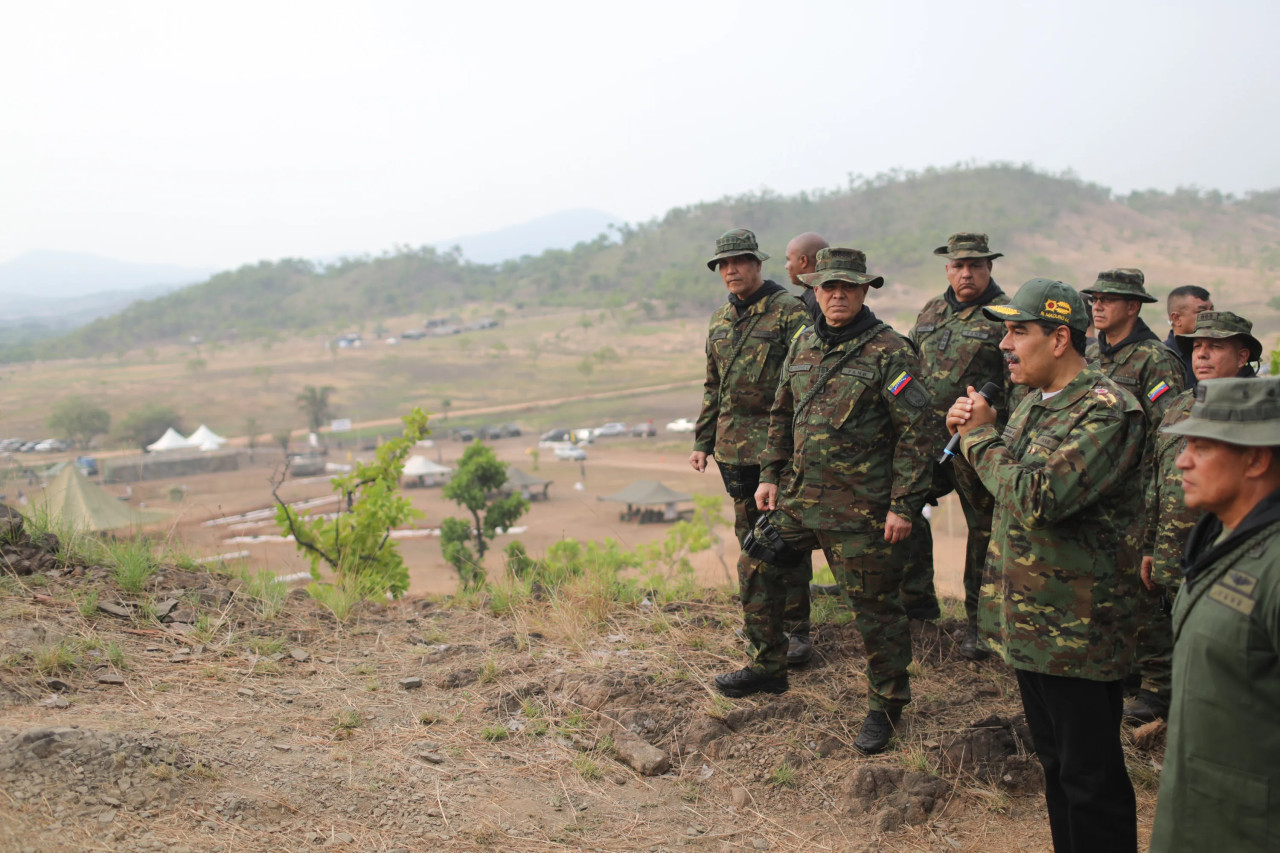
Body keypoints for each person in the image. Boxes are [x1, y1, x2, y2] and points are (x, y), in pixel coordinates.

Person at [947, 278, 1145, 853]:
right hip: (1029, 623)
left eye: (1018, 331)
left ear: (1060, 338)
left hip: (1078, 632)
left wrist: (981, 440)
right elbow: (996, 496)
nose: (1006, 345)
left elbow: (1039, 498)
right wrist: (965, 440)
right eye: (1005, 332)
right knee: (1057, 766)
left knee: (1091, 778)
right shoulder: (1033, 403)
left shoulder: (1107, 411)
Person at [719, 247, 934, 756]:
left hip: (861, 515)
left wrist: (904, 506)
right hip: (799, 501)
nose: (837, 295)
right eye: (827, 287)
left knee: (875, 613)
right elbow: (781, 412)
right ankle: (768, 666)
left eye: (847, 287)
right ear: (815, 290)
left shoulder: (890, 352)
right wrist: (770, 474)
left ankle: (886, 706)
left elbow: (917, 434)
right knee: (756, 563)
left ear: (864, 290)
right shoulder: (803, 341)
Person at [1149, 376, 1280, 853]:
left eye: (1201, 447)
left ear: (1256, 458)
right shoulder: (1221, 540)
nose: (1182, 460)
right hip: (1199, 820)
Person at [1128, 311, 1262, 722]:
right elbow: (1155, 478)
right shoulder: (1180, 406)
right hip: (1172, 546)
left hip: (1233, 551)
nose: (1201, 355)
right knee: (1164, 624)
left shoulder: (1260, 410)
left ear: (1242, 356)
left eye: (1214, 347)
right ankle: (1161, 694)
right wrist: (1150, 546)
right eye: (1196, 347)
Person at [690, 229, 812, 666]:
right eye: (724, 264)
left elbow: (805, 380)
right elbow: (713, 385)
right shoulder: (719, 320)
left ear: (758, 265)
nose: (731, 270)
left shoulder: (788, 312)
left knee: (783, 540)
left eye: (739, 261)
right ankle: (761, 622)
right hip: (732, 450)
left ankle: (797, 631)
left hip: (776, 452)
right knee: (748, 541)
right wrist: (703, 440)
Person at [901, 232, 1011, 660]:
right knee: (904, 508)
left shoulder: (1005, 315)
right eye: (958, 266)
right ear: (947, 268)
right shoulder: (932, 309)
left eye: (976, 266)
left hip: (976, 441)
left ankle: (980, 626)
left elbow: (1016, 381)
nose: (967, 273)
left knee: (983, 533)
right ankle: (918, 605)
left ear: (989, 268)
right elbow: (911, 363)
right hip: (926, 440)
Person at [1081, 268, 1185, 700]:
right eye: (1095, 299)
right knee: (1105, 586)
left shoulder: (1154, 359)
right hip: (1096, 492)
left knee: (1145, 592)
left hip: (1140, 494)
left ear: (1133, 306)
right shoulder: (1090, 355)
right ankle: (1124, 671)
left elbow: (1171, 435)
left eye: (1109, 299)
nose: (1098, 306)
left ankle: (1158, 687)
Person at [1162, 285, 1213, 389]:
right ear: (1176, 318)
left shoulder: (1219, 353)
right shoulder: (1161, 359)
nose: (1211, 317)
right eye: (1201, 312)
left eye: (1212, 311)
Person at [783, 231, 829, 323]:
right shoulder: (817, 296)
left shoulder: (818, 300)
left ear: (803, 260)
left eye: (788, 259)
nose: (786, 266)